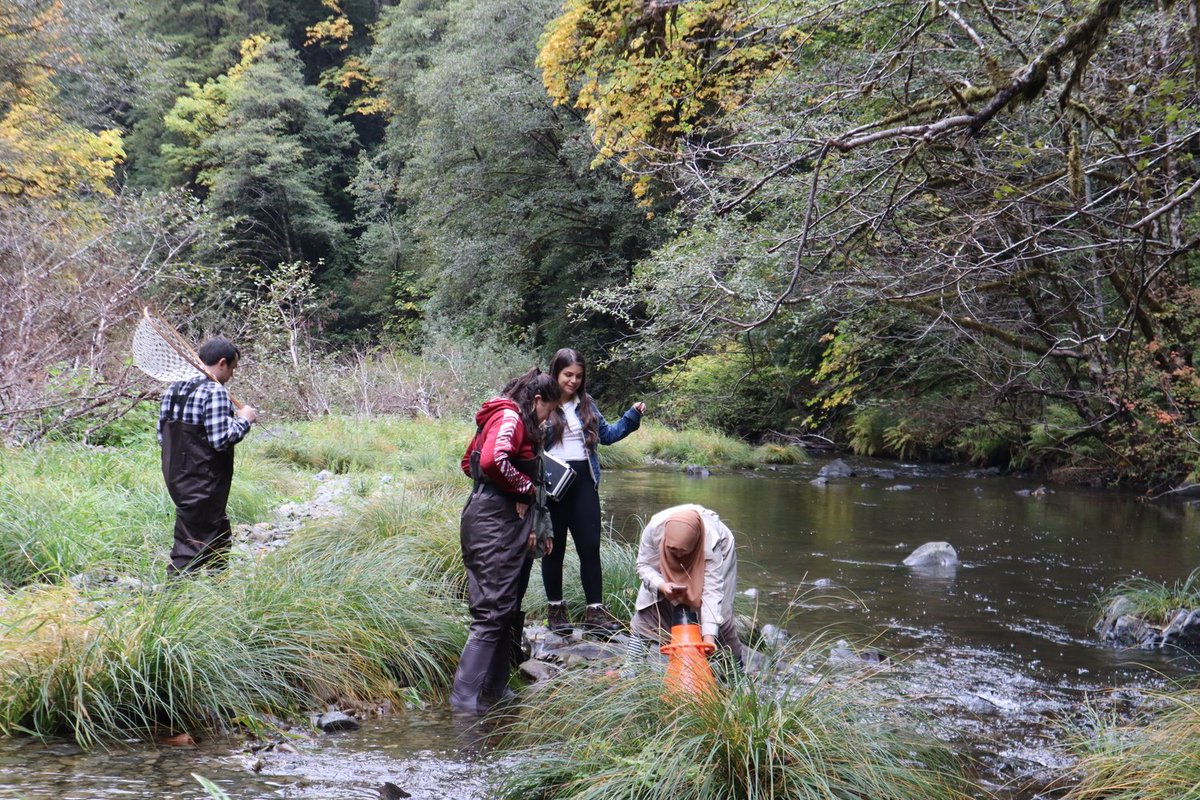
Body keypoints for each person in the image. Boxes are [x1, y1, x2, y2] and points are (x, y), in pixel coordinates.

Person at [451, 368, 562, 714]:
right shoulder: (511, 417)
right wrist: (525, 489)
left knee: (504, 608)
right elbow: (490, 460)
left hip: (492, 516)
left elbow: (469, 464)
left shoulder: (499, 417)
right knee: (491, 611)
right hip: (493, 522)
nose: (549, 420)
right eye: (550, 411)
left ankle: (494, 691)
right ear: (538, 400)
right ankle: (464, 701)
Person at [540, 348, 645, 636]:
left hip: (585, 482)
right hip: (552, 485)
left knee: (590, 548)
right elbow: (529, 441)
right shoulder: (542, 402)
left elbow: (608, 436)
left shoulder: (586, 403)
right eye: (567, 375)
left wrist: (632, 416)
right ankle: (556, 611)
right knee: (553, 550)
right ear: (556, 373)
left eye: (578, 376)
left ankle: (595, 612)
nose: (573, 381)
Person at [157, 336, 258, 576]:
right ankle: (173, 601)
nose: (232, 374)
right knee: (189, 545)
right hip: (203, 482)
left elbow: (163, 437)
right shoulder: (215, 392)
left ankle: (219, 585)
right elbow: (221, 440)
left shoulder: (174, 387)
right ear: (222, 363)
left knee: (218, 531)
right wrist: (245, 419)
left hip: (177, 476)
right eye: (232, 368)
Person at [625, 504, 744, 667]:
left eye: (684, 552)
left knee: (721, 618)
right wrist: (661, 585)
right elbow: (644, 565)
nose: (679, 556)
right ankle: (631, 667)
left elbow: (712, 591)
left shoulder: (712, 544)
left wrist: (708, 637)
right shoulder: (654, 529)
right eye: (674, 551)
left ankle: (736, 677)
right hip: (673, 554)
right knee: (649, 609)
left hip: (718, 552)